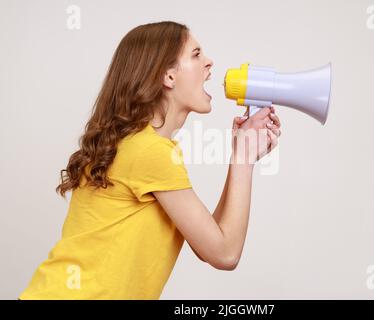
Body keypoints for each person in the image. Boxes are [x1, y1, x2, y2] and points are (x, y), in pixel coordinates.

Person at [19, 21, 281, 300]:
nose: (209, 62)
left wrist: (241, 155)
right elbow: (225, 254)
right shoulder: (150, 152)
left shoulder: (140, 145)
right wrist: (243, 158)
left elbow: (210, 242)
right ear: (167, 76)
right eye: (196, 55)